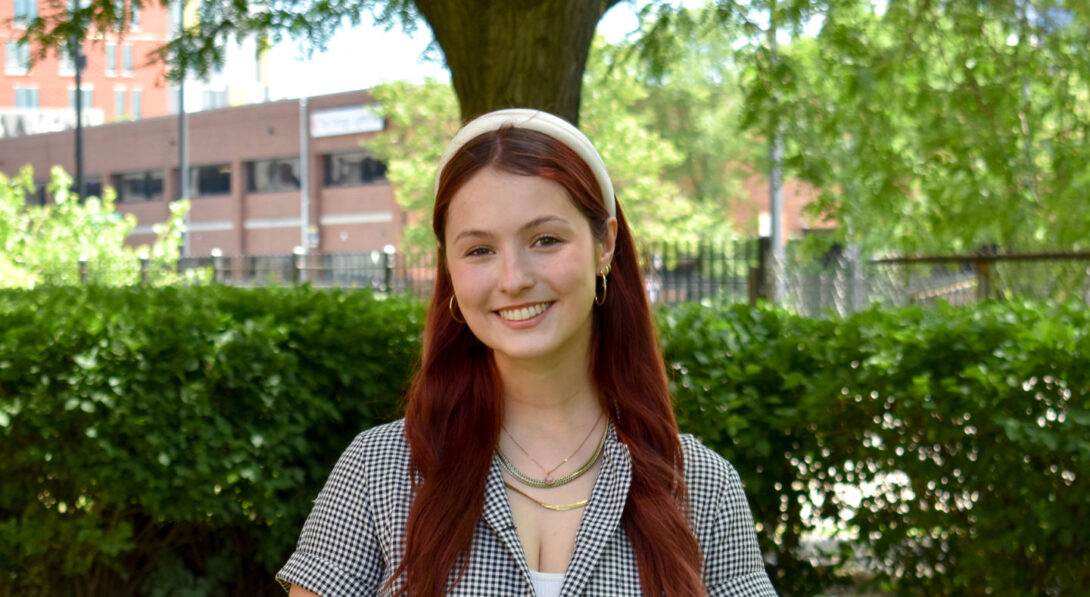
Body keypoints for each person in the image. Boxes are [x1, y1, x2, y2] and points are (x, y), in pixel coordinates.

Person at [276, 109, 776, 596]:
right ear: (448, 267)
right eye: (479, 250)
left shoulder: (701, 488)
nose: (514, 279)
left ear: (605, 243)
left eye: (545, 239)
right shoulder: (378, 472)